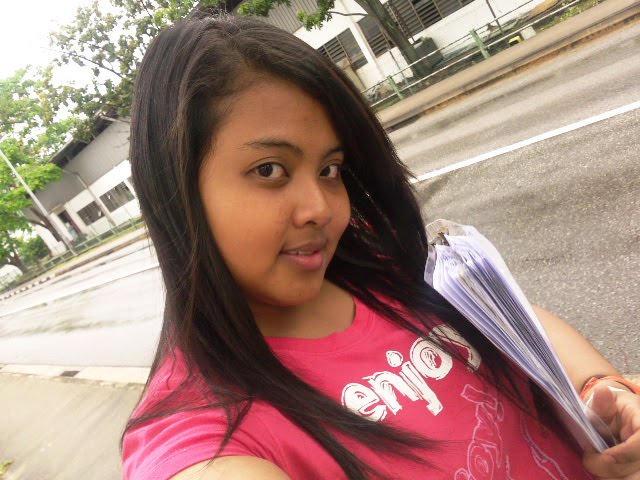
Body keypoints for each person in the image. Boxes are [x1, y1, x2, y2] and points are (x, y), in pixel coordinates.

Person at [121, 12, 640, 480]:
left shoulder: (378, 267)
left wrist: (602, 392)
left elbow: (514, 324)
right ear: (175, 195)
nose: (321, 208)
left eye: (329, 169)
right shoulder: (202, 430)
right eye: (269, 170)